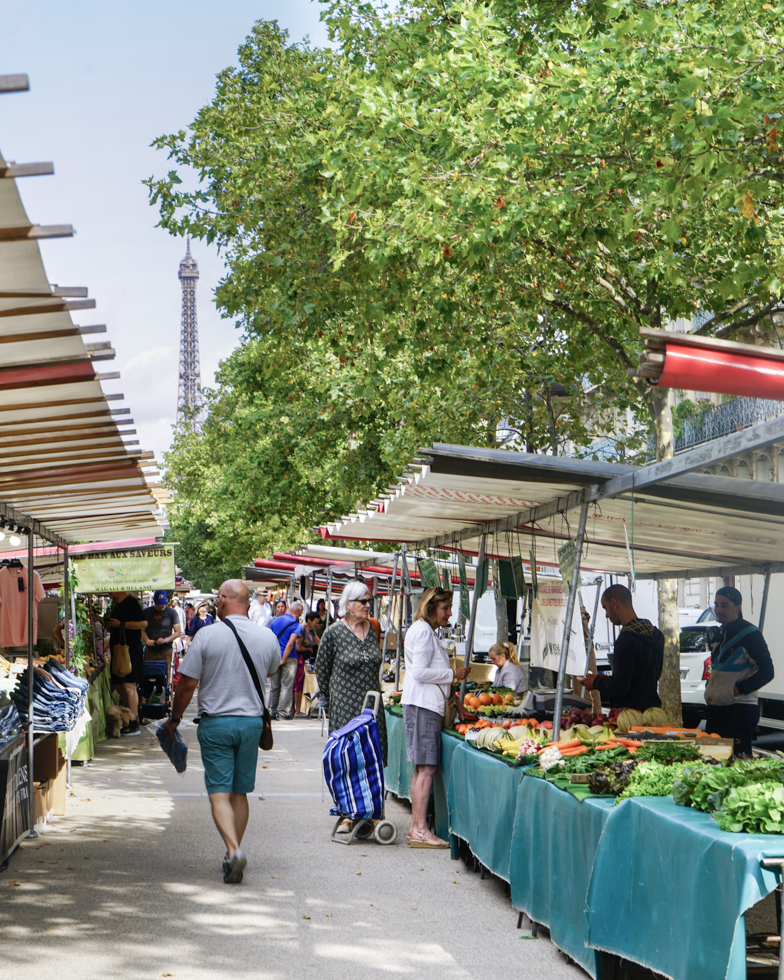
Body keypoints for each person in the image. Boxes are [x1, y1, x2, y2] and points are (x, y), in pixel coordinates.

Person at [163, 580, 279, 884]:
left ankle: (233, 849)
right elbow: (269, 671)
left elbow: (187, 683)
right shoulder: (267, 636)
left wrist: (174, 718)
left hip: (216, 723)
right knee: (239, 792)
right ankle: (232, 855)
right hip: (253, 722)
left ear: (225, 600)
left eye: (218, 598)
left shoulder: (206, 636)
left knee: (218, 791)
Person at [317, 580, 389, 832]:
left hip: (372, 706)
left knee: (373, 758)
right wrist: (328, 704)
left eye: (370, 601)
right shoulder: (333, 633)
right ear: (348, 605)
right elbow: (322, 672)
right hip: (345, 706)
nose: (369, 605)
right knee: (347, 760)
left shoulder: (374, 628)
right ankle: (348, 814)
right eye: (364, 601)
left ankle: (374, 813)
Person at [401, 587, 469, 848]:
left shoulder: (424, 631)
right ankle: (420, 829)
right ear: (430, 607)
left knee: (422, 769)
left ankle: (417, 827)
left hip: (424, 705)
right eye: (445, 608)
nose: (450, 613)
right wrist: (452, 675)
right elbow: (418, 672)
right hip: (423, 705)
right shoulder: (422, 631)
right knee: (426, 769)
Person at [704, 586, 774, 756]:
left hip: (740, 710)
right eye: (716, 605)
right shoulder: (719, 632)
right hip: (717, 710)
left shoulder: (750, 634)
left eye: (724, 605)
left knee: (737, 763)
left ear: (737, 607)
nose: (719, 610)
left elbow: (767, 671)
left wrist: (738, 689)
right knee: (711, 761)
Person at [581, 584, 664, 712]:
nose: (606, 615)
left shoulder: (626, 639)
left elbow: (620, 688)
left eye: (605, 608)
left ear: (614, 603)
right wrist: (608, 680)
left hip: (631, 717)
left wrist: (596, 684)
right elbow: (644, 679)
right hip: (653, 713)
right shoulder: (655, 634)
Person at [107, 591, 148, 737]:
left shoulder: (131, 602)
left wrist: (121, 624)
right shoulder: (116, 604)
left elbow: (143, 623)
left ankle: (133, 722)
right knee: (120, 684)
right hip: (119, 651)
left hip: (130, 651)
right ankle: (126, 717)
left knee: (129, 685)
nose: (109, 591)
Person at [268, 600, 303, 719]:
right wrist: (284, 659)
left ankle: (271, 712)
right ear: (298, 611)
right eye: (301, 612)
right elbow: (290, 643)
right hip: (289, 657)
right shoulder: (297, 625)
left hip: (274, 655)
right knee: (286, 686)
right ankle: (282, 713)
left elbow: (270, 637)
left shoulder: (276, 620)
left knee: (274, 686)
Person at [142, 590, 182, 680]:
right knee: (149, 676)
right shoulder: (146, 612)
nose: (160, 606)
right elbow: (142, 630)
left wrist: (165, 640)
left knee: (166, 676)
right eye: (158, 604)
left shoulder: (171, 613)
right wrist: (147, 640)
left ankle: (166, 689)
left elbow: (177, 632)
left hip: (166, 651)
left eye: (162, 604)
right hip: (150, 651)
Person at [289, 611, 321, 718]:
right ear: (309, 621)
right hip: (298, 659)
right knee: (298, 684)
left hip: (304, 659)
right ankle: (296, 710)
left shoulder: (312, 631)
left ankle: (294, 709)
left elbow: (319, 643)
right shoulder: (302, 629)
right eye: (315, 622)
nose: (317, 625)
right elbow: (297, 647)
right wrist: (309, 649)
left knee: (299, 684)